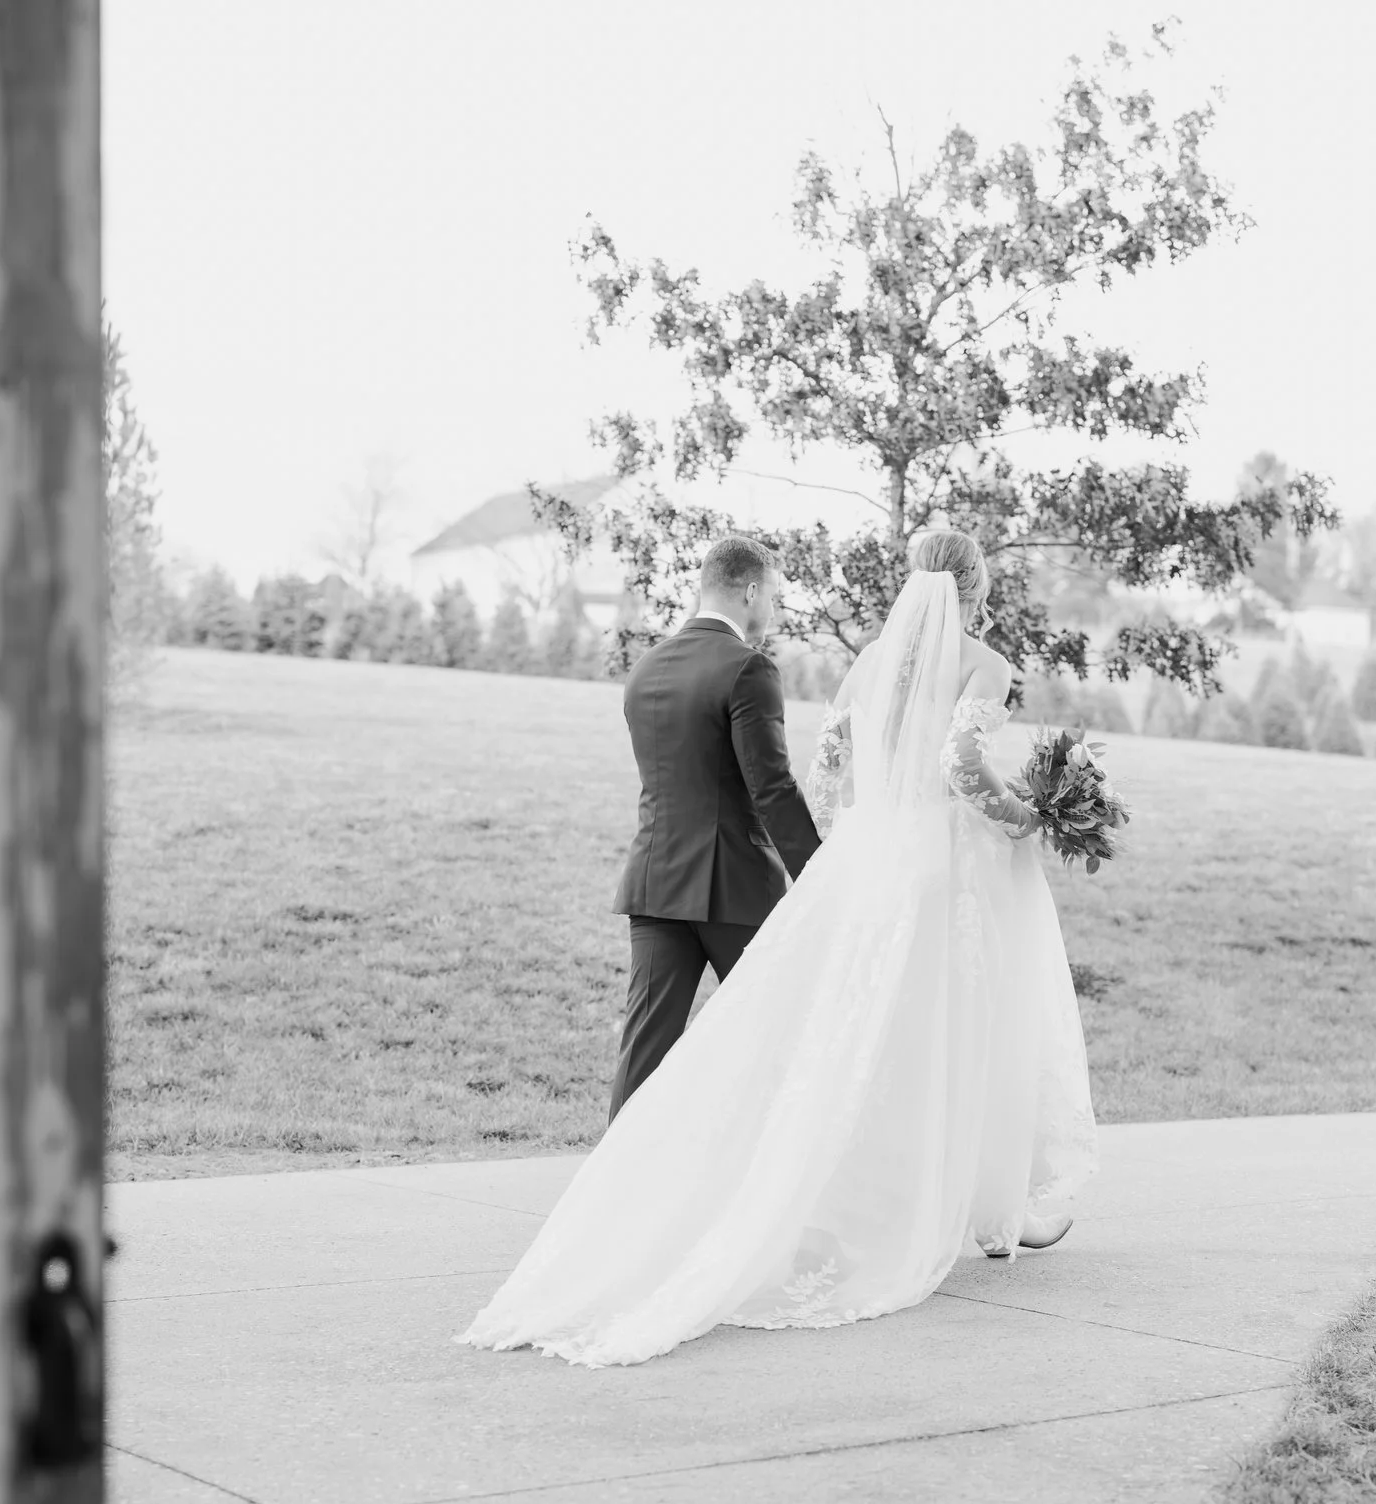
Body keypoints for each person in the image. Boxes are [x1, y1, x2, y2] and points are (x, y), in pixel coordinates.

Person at [461, 529, 1097, 1367]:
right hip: (928, 873)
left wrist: (855, 849)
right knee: (929, 1032)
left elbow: (828, 764)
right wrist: (1026, 817)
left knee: (832, 1039)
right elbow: (953, 763)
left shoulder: (855, 661)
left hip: (802, 869)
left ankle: (658, 1198)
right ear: (975, 586)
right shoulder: (978, 661)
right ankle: (954, 1206)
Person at [607, 535, 823, 1119]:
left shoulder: (646, 668)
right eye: (773, 595)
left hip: (655, 882)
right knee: (780, 1038)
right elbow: (771, 787)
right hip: (735, 888)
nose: (773, 609)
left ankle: (617, 1192)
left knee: (645, 1049)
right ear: (751, 590)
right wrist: (820, 874)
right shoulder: (748, 668)